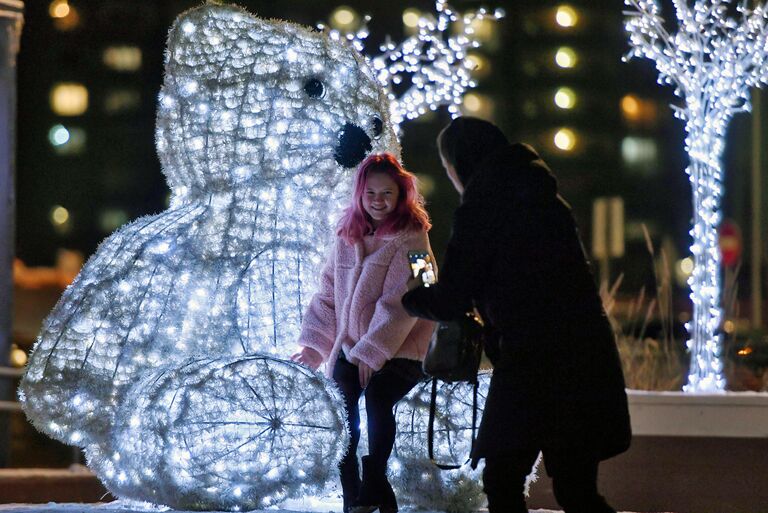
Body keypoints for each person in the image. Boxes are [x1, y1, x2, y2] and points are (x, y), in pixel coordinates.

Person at [401, 116, 631, 513]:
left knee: (502, 480)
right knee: (577, 490)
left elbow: (453, 295)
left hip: (531, 362)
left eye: (447, 168)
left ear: (461, 163)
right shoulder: (546, 197)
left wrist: (410, 298)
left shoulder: (481, 207)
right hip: (585, 356)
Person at [292, 153, 435, 513]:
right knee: (342, 416)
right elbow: (328, 295)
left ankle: (375, 478)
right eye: (370, 192)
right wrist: (314, 346)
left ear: (401, 195)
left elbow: (404, 302)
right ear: (359, 194)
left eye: (387, 193)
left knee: (377, 401)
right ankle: (354, 495)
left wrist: (373, 351)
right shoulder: (347, 236)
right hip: (350, 345)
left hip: (403, 347)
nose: (378, 200)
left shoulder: (413, 238)